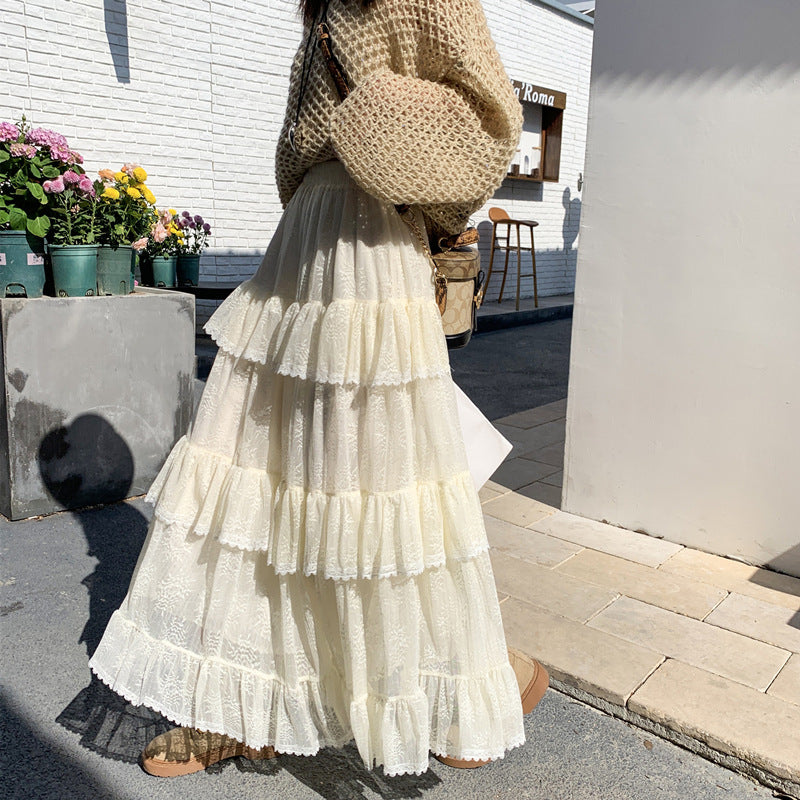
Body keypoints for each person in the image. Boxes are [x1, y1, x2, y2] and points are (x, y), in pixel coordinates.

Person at [88, 0, 549, 778]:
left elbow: (493, 118)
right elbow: (299, 144)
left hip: (375, 242)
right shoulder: (318, 5)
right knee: (261, 470)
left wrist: (382, 124)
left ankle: (455, 675)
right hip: (305, 239)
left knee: (369, 479)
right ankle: (239, 701)